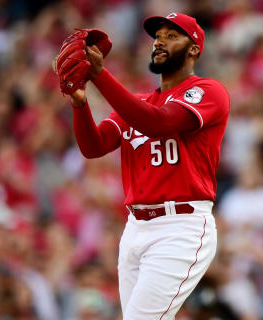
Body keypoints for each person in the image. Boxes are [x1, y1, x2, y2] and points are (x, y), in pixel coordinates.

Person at [68, 13, 230, 320]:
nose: (159, 40)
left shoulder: (208, 91)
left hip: (180, 228)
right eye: (158, 35)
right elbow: (94, 146)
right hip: (135, 228)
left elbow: (158, 123)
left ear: (194, 48)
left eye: (172, 35)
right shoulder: (139, 102)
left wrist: (101, 76)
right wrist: (80, 103)